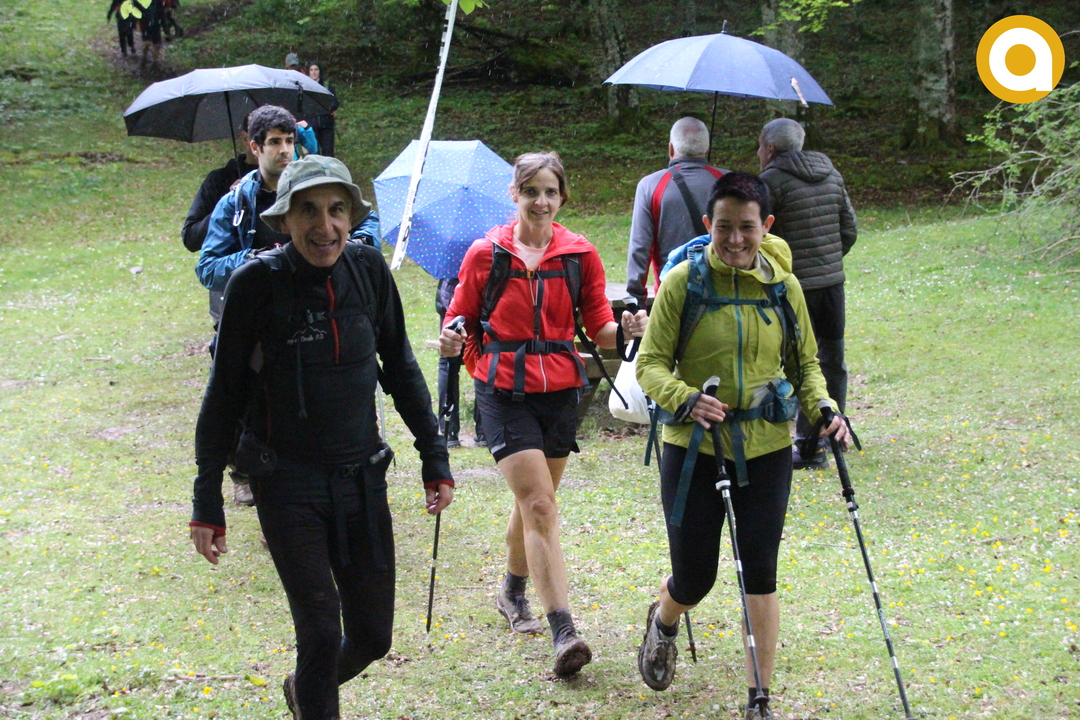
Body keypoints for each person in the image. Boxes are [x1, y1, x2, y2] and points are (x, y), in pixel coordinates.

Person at [189, 155, 454, 720]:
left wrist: (434, 456)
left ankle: (305, 693)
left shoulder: (368, 270)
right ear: (284, 219)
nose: (324, 226)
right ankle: (315, 699)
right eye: (307, 211)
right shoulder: (255, 284)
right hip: (287, 484)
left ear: (351, 216)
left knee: (373, 637)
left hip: (362, 479)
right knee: (319, 633)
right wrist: (206, 497)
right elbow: (224, 394)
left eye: (337, 210)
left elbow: (401, 368)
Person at [634, 172, 850, 720]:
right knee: (695, 576)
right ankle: (664, 618)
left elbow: (805, 365)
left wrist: (825, 409)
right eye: (724, 227)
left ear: (766, 226)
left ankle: (759, 699)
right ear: (708, 224)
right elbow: (650, 365)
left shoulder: (783, 287)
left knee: (760, 571)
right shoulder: (682, 283)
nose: (735, 239)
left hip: (766, 446)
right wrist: (685, 398)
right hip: (695, 447)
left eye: (747, 227)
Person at [439, 152, 647, 677]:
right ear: (515, 194)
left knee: (537, 502)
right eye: (531, 191)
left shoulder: (580, 254)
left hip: (558, 390)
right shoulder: (486, 254)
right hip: (501, 389)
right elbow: (459, 316)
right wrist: (452, 339)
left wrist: (625, 330)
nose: (541, 201)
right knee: (538, 504)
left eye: (550, 191)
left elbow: (598, 328)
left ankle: (511, 590)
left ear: (562, 197)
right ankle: (564, 632)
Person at [758, 118, 857, 469]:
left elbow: (757, 234)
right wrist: (827, 261)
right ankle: (832, 434)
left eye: (759, 147)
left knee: (799, 362)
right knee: (832, 361)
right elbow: (849, 229)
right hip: (832, 285)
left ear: (770, 148)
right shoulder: (831, 174)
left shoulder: (770, 182)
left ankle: (808, 445)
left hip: (795, 288)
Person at [626, 117, 727, 308]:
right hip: (725, 295)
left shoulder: (650, 185)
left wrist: (635, 301)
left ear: (671, 149)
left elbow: (640, 249)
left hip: (672, 296)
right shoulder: (730, 181)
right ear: (707, 149)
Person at [180, 112, 259, 254]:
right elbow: (191, 238)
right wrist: (228, 204)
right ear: (246, 139)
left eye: (285, 141)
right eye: (261, 138)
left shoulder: (288, 181)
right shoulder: (219, 180)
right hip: (232, 265)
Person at [435, 277, 483, 448]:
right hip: (482, 303)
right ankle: (484, 431)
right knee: (483, 359)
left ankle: (449, 432)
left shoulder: (450, 264)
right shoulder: (486, 260)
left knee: (448, 362)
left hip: (450, 301)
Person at [304, 62, 339, 157]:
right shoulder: (305, 87)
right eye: (311, 70)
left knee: (328, 152)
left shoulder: (327, 86)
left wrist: (325, 109)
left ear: (320, 71)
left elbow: (334, 102)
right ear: (308, 72)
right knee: (314, 153)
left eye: (316, 69)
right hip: (311, 124)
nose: (314, 72)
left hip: (326, 124)